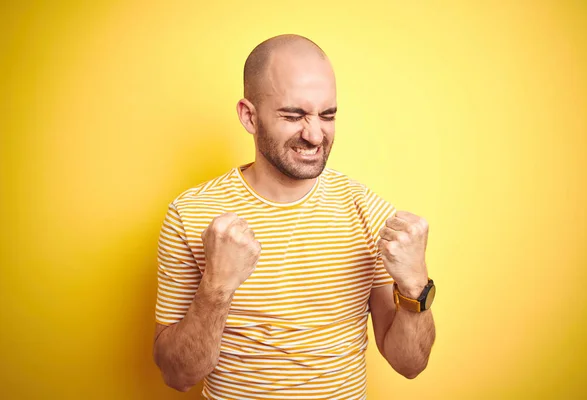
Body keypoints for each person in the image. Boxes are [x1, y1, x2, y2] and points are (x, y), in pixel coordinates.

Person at [152, 34, 436, 399]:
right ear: (249, 116)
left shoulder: (368, 211)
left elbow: (409, 365)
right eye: (294, 115)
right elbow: (177, 375)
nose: (315, 134)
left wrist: (415, 287)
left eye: (327, 115)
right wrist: (217, 288)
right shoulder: (190, 214)